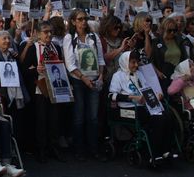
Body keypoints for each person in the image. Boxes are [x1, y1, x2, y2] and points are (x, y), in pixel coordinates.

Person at [109, 52, 174, 160]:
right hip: (128, 108)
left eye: (137, 62)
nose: (136, 65)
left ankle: (166, 150)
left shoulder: (139, 74)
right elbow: (111, 95)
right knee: (158, 120)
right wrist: (131, 97)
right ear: (125, 62)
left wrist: (156, 95)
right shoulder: (118, 76)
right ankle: (154, 154)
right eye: (133, 62)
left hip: (143, 106)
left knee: (168, 117)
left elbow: (146, 89)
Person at [63, 9, 105, 161]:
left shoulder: (94, 37)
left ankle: (94, 149)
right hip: (79, 81)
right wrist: (83, 78)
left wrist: (101, 75)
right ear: (73, 22)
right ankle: (79, 150)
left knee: (93, 117)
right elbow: (70, 63)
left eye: (85, 19)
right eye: (80, 19)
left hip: (94, 79)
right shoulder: (69, 38)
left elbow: (100, 58)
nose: (83, 22)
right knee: (79, 116)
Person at [20, 21, 64, 162]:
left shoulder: (56, 47)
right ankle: (41, 149)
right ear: (38, 34)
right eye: (45, 32)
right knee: (41, 120)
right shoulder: (33, 48)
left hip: (56, 88)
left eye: (50, 31)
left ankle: (53, 147)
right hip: (40, 88)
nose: (49, 34)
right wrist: (35, 70)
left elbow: (61, 64)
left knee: (55, 119)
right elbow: (25, 70)